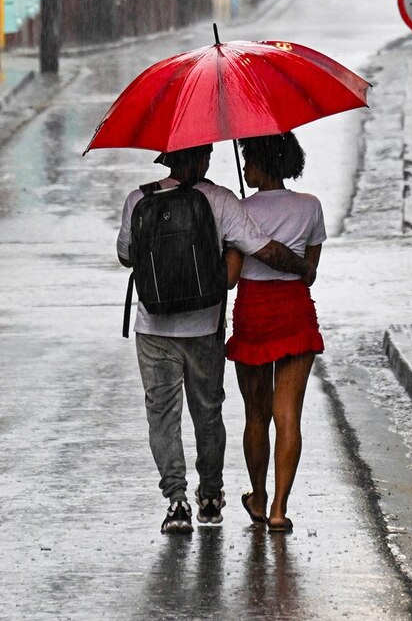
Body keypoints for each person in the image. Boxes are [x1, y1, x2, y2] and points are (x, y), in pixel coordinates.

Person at [117, 143, 308, 535]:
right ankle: (209, 494)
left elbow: (125, 256)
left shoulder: (138, 199)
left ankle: (176, 502)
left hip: (153, 327)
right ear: (204, 157)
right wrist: (302, 267)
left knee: (162, 416)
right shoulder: (219, 199)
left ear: (167, 158)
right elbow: (263, 249)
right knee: (207, 412)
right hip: (204, 326)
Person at [224, 133, 325, 533]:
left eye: (249, 160)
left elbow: (232, 277)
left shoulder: (239, 211)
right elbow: (310, 273)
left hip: (254, 312)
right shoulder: (310, 206)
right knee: (288, 415)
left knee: (255, 415)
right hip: (295, 312)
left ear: (263, 163)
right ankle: (280, 509)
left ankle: (259, 495)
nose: (245, 167)